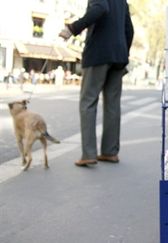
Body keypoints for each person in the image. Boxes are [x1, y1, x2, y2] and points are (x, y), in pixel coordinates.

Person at [59, 0, 134, 166]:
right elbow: (129, 29)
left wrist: (72, 28)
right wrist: (123, 52)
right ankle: (110, 152)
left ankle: (89, 154)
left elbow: (100, 8)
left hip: (98, 54)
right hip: (119, 57)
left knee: (88, 102)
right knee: (113, 105)